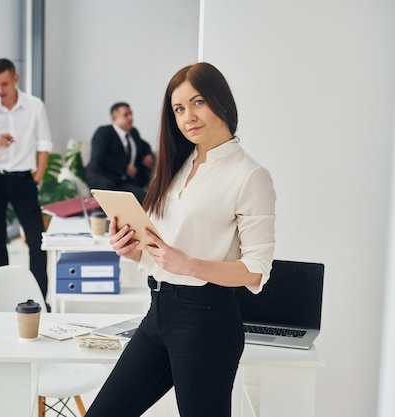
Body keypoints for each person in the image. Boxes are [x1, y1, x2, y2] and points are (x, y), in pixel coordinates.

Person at [85, 62, 276, 417]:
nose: (188, 115)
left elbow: (256, 270)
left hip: (207, 323)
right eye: (179, 108)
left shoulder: (250, 176)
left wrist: (188, 264)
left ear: (221, 101)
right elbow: (161, 249)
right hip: (158, 314)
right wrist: (130, 250)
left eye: (198, 102)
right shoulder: (177, 167)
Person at [0, 58, 52, 305]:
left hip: (23, 179)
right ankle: (3, 298)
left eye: (4, 84)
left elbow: (44, 143)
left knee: (37, 239)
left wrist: (37, 176)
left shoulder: (34, 106)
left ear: (15, 79)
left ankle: (39, 298)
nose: (0, 90)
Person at [85, 102, 155, 202]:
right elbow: (99, 157)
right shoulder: (103, 132)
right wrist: (124, 168)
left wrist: (148, 155)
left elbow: (144, 145)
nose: (131, 118)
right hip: (100, 176)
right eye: (126, 115)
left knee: (144, 196)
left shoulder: (133, 132)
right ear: (114, 119)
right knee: (110, 190)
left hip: (120, 180)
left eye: (131, 114)